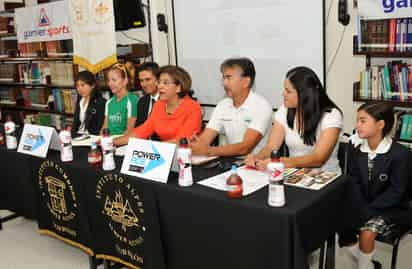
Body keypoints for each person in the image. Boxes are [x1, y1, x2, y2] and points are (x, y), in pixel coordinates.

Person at [339, 102, 411, 269]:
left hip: (393, 208)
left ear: (380, 124)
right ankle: (370, 265)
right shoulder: (355, 151)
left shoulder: (401, 154)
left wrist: (368, 210)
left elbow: (397, 191)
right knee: (337, 223)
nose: (357, 126)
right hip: (365, 204)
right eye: (357, 120)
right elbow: (353, 182)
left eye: (363, 121)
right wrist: (360, 207)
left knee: (367, 232)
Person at [245, 66, 343, 172]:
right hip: (294, 175)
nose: (283, 94)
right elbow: (271, 146)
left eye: (288, 91)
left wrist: (281, 162)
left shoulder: (331, 115)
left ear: (304, 94)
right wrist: (258, 157)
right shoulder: (284, 110)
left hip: (326, 178)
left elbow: (318, 158)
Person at [189, 57, 272, 157]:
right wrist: (198, 144)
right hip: (229, 162)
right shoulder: (223, 104)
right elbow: (206, 138)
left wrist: (209, 151)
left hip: (256, 164)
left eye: (229, 78)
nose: (224, 83)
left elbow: (245, 147)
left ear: (246, 82)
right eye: (223, 78)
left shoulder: (261, 106)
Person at [114, 65, 202, 145]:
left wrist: (150, 148)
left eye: (165, 83)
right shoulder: (159, 105)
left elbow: (181, 140)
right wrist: (112, 142)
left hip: (185, 156)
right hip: (163, 152)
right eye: (159, 82)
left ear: (178, 87)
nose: (160, 86)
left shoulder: (193, 108)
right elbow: (142, 131)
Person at [101, 63, 138, 135]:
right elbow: (104, 128)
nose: (110, 84)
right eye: (109, 80)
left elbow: (129, 131)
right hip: (109, 142)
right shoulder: (109, 102)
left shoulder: (132, 100)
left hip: (123, 143)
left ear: (125, 81)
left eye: (114, 80)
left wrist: (114, 142)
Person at [72, 71, 106, 136]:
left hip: (91, 138)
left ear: (92, 85)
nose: (80, 89)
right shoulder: (80, 101)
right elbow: (75, 124)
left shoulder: (100, 102)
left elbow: (99, 128)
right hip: (78, 137)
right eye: (77, 85)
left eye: (83, 85)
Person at [136, 62, 159, 127]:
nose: (144, 84)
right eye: (141, 80)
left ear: (157, 79)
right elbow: (138, 127)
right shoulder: (142, 102)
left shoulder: (168, 100)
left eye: (148, 79)